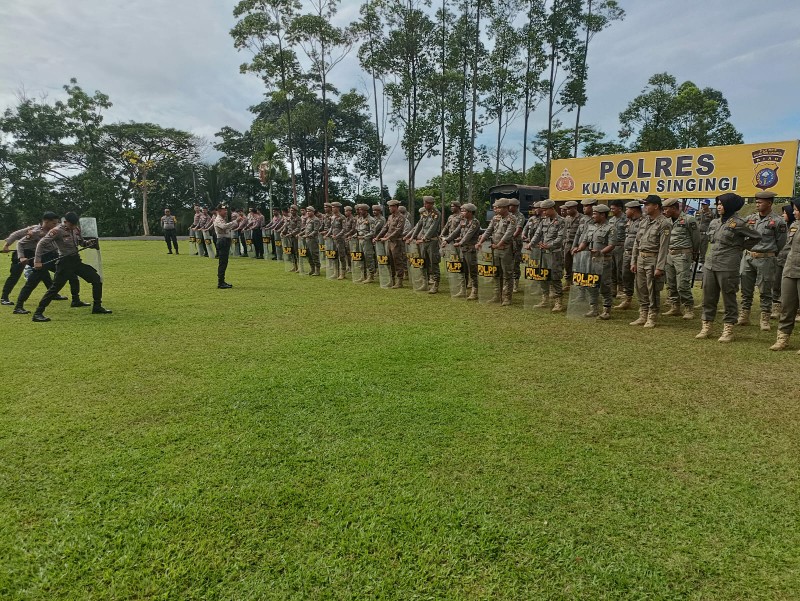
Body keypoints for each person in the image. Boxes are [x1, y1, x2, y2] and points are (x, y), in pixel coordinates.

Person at [696, 193, 761, 342]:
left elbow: (756, 237)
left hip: (728, 264)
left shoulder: (739, 223)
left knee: (728, 296)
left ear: (730, 206)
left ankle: (728, 328)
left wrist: (740, 247)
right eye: (717, 203)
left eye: (722, 204)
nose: (719, 206)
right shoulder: (714, 222)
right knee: (708, 296)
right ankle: (706, 325)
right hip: (711, 263)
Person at [31, 212, 111, 322]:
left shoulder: (76, 230)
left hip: (76, 261)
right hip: (64, 263)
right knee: (55, 289)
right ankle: (38, 313)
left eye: (75, 224)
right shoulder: (57, 231)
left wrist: (90, 243)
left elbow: (81, 243)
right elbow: (41, 244)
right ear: (65, 222)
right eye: (71, 224)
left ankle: (97, 307)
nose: (73, 226)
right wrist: (37, 261)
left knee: (96, 279)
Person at [2, 213, 77, 312]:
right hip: (23, 254)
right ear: (46, 221)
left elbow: (52, 245)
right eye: (54, 223)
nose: (56, 225)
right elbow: (18, 238)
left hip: (37, 256)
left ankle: (62, 296)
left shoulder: (54, 231)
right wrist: (8, 246)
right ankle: (4, 297)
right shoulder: (35, 230)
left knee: (54, 273)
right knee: (15, 276)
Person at [737, 190, 787, 330]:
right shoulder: (750, 218)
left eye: (760, 202)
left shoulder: (778, 221)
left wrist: (769, 253)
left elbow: (781, 242)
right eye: (756, 202)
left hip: (766, 259)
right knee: (746, 289)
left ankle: (765, 318)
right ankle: (744, 315)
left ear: (769, 203)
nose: (757, 204)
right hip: (748, 257)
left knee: (765, 290)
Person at [630, 195, 671, 328]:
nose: (645, 207)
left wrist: (660, 267)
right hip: (641, 258)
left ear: (656, 206)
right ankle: (643, 313)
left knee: (652, 288)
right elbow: (637, 242)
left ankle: (652, 315)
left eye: (647, 205)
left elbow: (664, 247)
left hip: (653, 258)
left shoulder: (664, 223)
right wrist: (633, 261)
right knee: (641, 288)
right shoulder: (644, 221)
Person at [574, 204, 616, 319]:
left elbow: (612, 245)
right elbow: (585, 241)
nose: (593, 216)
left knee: (604, 285)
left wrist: (600, 252)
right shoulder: (591, 227)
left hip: (604, 261)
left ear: (602, 215)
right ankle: (593, 309)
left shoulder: (610, 228)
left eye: (595, 214)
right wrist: (579, 248)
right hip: (590, 260)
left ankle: (606, 310)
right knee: (590, 284)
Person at [769, 199, 800, 351]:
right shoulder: (794, 226)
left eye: (796, 209)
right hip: (789, 270)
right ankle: (782, 338)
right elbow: (786, 248)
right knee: (787, 306)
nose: (794, 212)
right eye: (793, 209)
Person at [662, 198, 700, 319]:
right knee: (671, 283)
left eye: (666, 208)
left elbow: (696, 238)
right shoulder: (667, 221)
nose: (665, 211)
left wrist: (694, 253)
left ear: (674, 208)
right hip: (669, 255)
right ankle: (675, 307)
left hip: (682, 255)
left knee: (682, 284)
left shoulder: (689, 220)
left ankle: (689, 308)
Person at [475, 197, 515, 306]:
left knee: (507, 273)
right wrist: (481, 242)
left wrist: (499, 244)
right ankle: (497, 295)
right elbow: (488, 231)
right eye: (495, 208)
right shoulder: (495, 218)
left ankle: (507, 297)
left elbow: (508, 234)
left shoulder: (511, 219)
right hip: (495, 249)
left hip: (506, 249)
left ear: (505, 208)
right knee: (496, 272)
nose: (496, 210)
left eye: (498, 208)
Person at [529, 199, 566, 312]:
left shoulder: (561, 221)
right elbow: (537, 233)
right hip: (543, 253)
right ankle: (544, 299)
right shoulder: (544, 221)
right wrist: (531, 244)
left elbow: (560, 238)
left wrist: (548, 245)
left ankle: (558, 302)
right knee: (542, 275)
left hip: (554, 253)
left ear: (552, 208)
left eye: (545, 210)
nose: (543, 212)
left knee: (555, 277)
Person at [408, 195, 441, 294]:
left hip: (432, 241)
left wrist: (424, 238)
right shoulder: (424, 213)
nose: (425, 205)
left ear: (432, 204)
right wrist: (412, 237)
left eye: (426, 203)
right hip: (423, 242)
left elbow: (433, 228)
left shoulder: (436, 214)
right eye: (424, 203)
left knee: (433, 263)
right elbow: (419, 224)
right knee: (423, 262)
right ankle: (425, 282)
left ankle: (435, 284)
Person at [615, 201, 642, 310]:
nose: (625, 211)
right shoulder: (629, 221)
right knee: (626, 276)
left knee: (640, 280)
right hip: (627, 253)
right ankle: (627, 299)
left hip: (638, 254)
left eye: (627, 209)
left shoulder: (643, 221)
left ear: (633, 210)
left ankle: (643, 303)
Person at [771, 203, 796, 319]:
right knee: (776, 283)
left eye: (785, 213)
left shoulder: (796, 226)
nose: (782, 215)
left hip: (791, 262)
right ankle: (776, 306)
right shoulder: (782, 226)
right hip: (780, 260)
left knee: (792, 288)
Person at [377, 199, 406, 288]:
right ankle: (392, 279)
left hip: (396, 242)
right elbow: (385, 228)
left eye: (391, 206)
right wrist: (377, 237)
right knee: (389, 261)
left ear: (396, 207)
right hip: (389, 242)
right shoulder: (390, 217)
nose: (389, 208)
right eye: (389, 206)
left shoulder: (401, 217)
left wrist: (387, 238)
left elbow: (398, 230)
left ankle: (399, 281)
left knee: (397, 261)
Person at [213, 204, 243, 289]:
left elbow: (227, 227)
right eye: (224, 210)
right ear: (219, 211)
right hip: (222, 240)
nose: (226, 211)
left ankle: (222, 281)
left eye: (226, 210)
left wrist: (236, 222)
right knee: (223, 262)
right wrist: (235, 221)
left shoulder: (223, 219)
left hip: (225, 240)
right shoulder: (218, 219)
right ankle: (220, 282)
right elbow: (223, 226)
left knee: (224, 262)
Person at [454, 203, 480, 300]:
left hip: (470, 249)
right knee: (462, 270)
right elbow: (456, 232)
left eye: (464, 211)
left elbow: (468, 235)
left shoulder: (475, 222)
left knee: (472, 271)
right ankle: (463, 289)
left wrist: (460, 243)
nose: (462, 212)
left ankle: (474, 291)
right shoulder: (463, 221)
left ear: (470, 212)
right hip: (463, 249)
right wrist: (447, 240)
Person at [608, 199, 627, 297]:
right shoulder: (611, 220)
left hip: (621, 246)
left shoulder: (626, 219)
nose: (611, 210)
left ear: (619, 209)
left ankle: (621, 289)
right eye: (611, 209)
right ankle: (613, 289)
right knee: (612, 269)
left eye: (613, 209)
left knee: (620, 269)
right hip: (611, 247)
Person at [354, 204, 376, 283]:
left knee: (368, 257)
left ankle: (371, 275)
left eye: (362, 210)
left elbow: (373, 232)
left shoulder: (371, 219)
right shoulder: (359, 219)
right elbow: (357, 230)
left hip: (367, 241)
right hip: (359, 240)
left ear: (366, 210)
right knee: (360, 257)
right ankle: (363, 275)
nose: (360, 211)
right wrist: (354, 236)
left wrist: (364, 237)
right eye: (359, 210)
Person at [562, 201, 581, 289]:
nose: (567, 210)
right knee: (567, 263)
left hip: (576, 244)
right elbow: (565, 231)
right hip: (567, 243)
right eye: (567, 209)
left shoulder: (581, 218)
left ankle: (575, 282)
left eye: (569, 209)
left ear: (575, 208)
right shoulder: (567, 218)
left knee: (576, 264)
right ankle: (568, 282)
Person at [508, 198, 525, 293]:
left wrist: (511, 237)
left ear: (516, 206)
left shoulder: (520, 216)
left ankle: (516, 283)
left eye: (511, 205)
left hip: (516, 242)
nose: (509, 207)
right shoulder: (508, 216)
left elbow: (518, 229)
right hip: (508, 241)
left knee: (515, 262)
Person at [302, 206, 321, 275]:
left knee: (314, 254)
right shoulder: (308, 219)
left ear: (313, 212)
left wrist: (308, 235)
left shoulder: (316, 219)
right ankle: (312, 269)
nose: (308, 212)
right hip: (307, 240)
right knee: (308, 254)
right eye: (307, 211)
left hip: (313, 240)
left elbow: (316, 231)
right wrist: (300, 233)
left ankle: (317, 270)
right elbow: (306, 229)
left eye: (309, 211)